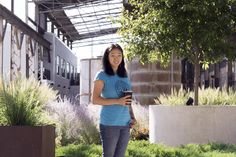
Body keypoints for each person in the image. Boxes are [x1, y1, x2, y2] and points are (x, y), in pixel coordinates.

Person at [92, 43, 136, 157]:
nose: (116, 58)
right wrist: (118, 101)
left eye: (119, 55)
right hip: (109, 123)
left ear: (122, 57)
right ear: (107, 57)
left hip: (125, 123)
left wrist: (132, 117)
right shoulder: (101, 75)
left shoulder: (124, 75)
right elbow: (95, 99)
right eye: (113, 55)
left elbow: (127, 99)